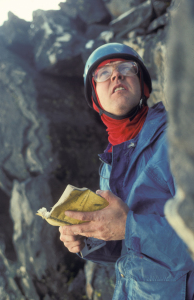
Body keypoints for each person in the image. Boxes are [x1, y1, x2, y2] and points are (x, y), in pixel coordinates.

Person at [59, 43, 194, 299]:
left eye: (126, 68)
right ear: (94, 97)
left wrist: (130, 227)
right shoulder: (109, 164)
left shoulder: (180, 139)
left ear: (142, 84)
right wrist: (85, 238)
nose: (116, 75)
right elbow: (128, 248)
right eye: (102, 73)